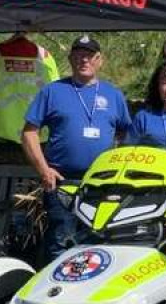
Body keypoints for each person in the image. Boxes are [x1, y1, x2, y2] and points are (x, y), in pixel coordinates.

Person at [22, 35, 131, 262]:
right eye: (79, 55)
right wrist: (44, 170)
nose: (84, 60)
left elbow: (125, 134)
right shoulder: (52, 92)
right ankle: (53, 295)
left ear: (99, 60)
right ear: (71, 59)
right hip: (62, 181)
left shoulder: (114, 95)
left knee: (96, 241)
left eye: (90, 56)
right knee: (61, 240)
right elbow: (29, 133)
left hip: (102, 183)